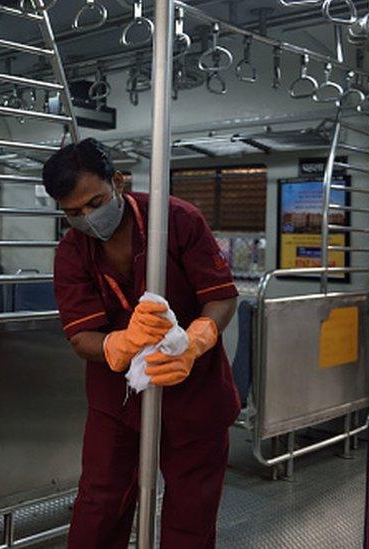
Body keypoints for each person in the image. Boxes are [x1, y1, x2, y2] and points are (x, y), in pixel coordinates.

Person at [45, 138, 240, 549]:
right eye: (73, 213)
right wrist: (118, 345)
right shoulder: (72, 252)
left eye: (95, 202)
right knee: (99, 505)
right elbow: (81, 337)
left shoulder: (178, 220)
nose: (87, 218)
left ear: (117, 181)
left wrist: (196, 340)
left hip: (193, 389)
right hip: (117, 397)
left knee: (192, 513)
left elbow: (220, 296)